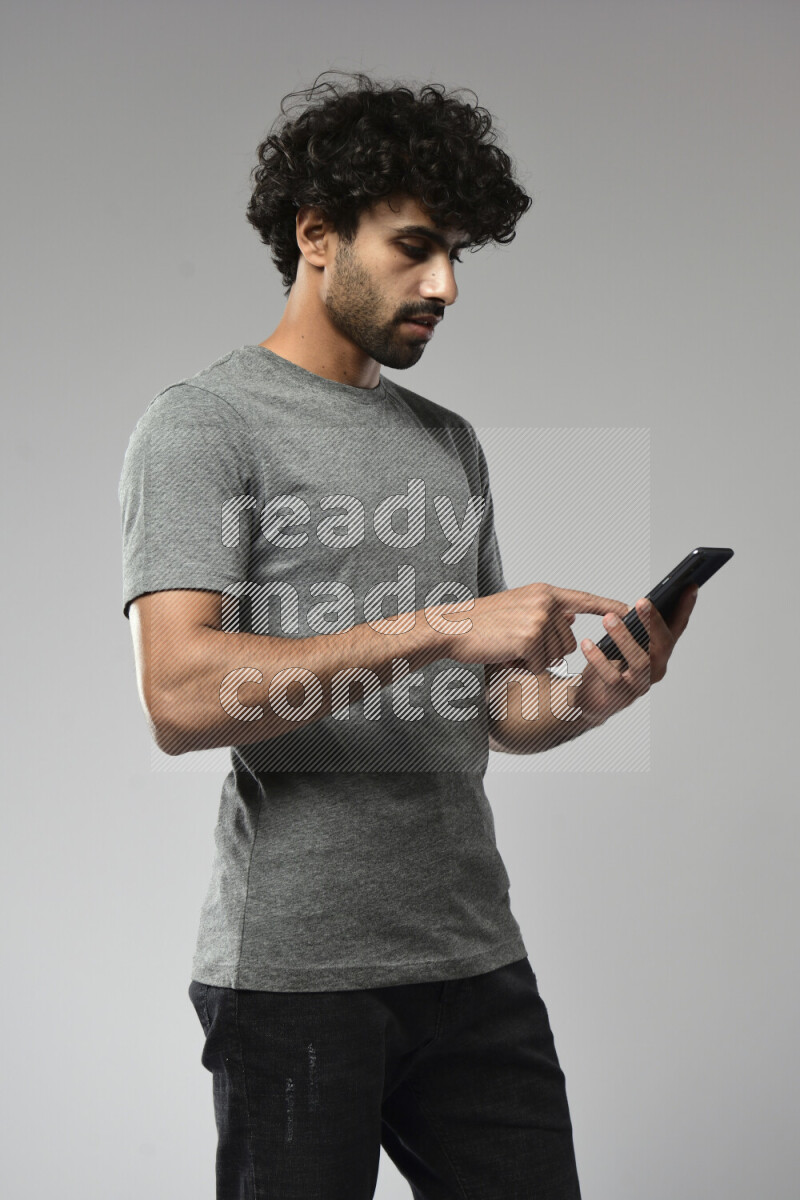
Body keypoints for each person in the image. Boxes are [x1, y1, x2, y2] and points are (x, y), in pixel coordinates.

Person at [118, 70, 698, 1200]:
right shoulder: (203, 425)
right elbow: (179, 700)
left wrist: (592, 694)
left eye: (457, 256)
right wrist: (441, 625)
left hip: (474, 959)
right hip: (294, 980)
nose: (443, 284)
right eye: (415, 247)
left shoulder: (446, 441)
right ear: (316, 236)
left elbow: (487, 710)